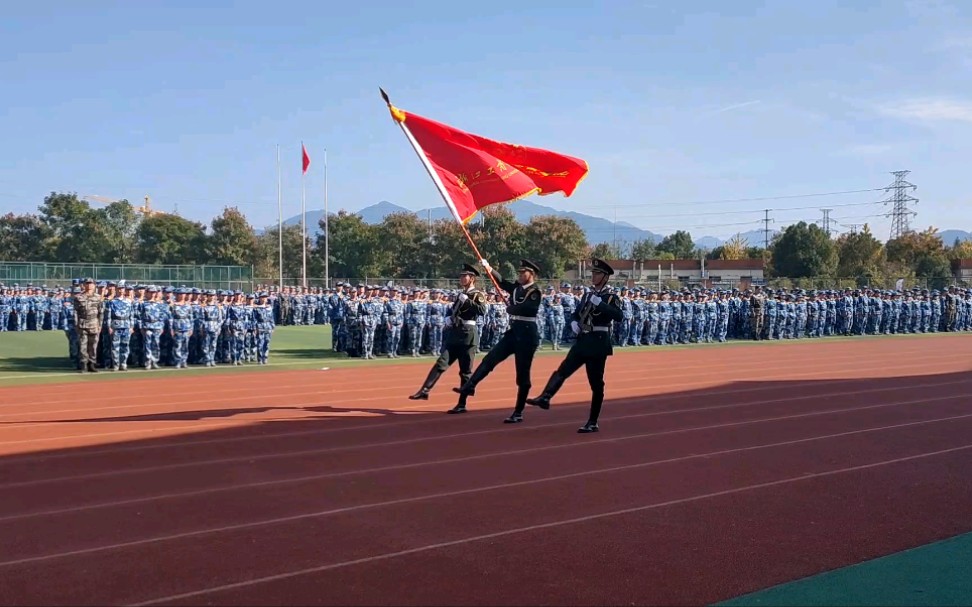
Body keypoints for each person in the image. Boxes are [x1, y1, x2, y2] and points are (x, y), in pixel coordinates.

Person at [525, 258, 624, 433]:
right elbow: (577, 314)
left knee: (596, 384)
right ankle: (545, 397)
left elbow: (618, 316)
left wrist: (599, 304)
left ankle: (593, 422)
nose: (593, 276)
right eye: (593, 273)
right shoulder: (587, 295)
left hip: (598, 341)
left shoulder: (611, 297)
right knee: (563, 369)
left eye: (597, 273)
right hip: (584, 339)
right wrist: (573, 323)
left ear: (605, 277)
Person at [452, 258, 543, 423]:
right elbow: (501, 282)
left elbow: (530, 308)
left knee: (522, 375)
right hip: (514, 333)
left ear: (532, 274)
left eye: (524, 272)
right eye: (520, 272)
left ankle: (518, 412)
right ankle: (470, 385)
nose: (520, 274)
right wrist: (489, 269)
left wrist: (512, 308)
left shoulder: (534, 291)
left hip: (528, 335)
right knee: (490, 359)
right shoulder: (516, 288)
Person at [409, 263, 488, 404]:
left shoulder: (477, 294)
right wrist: (449, 318)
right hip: (455, 333)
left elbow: (482, 311)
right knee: (441, 362)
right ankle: (424, 391)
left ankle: (461, 404)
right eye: (461, 276)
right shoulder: (461, 294)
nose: (462, 278)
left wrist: (468, 302)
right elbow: (454, 311)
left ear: (472, 278)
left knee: (465, 371)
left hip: (468, 335)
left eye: (465, 276)